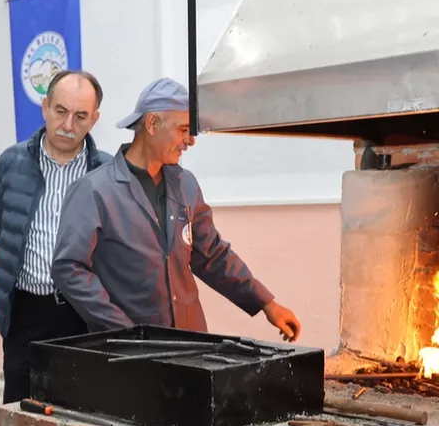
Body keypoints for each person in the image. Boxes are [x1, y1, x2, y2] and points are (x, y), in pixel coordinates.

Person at [52, 77, 302, 341]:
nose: (190, 141)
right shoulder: (94, 190)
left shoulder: (186, 185)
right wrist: (123, 330)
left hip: (190, 343)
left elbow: (212, 256)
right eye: (183, 129)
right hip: (127, 351)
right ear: (151, 124)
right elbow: (69, 268)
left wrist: (266, 303)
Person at [0, 70, 112, 403]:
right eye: (60, 111)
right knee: (21, 413)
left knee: (84, 411)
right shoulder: (10, 164)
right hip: (26, 313)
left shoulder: (108, 173)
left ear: (94, 119)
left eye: (80, 115)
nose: (68, 124)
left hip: (84, 315)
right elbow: (0, 228)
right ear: (45, 107)